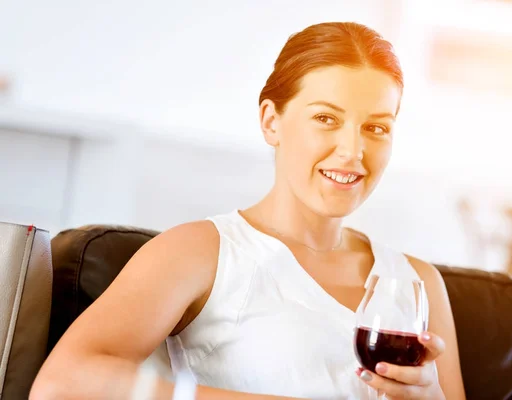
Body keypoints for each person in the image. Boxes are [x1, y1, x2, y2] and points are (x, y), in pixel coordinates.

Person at [31, 21, 465, 400]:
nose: (353, 151)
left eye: (376, 128)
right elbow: (61, 385)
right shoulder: (200, 251)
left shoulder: (417, 283)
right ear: (271, 122)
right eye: (326, 119)